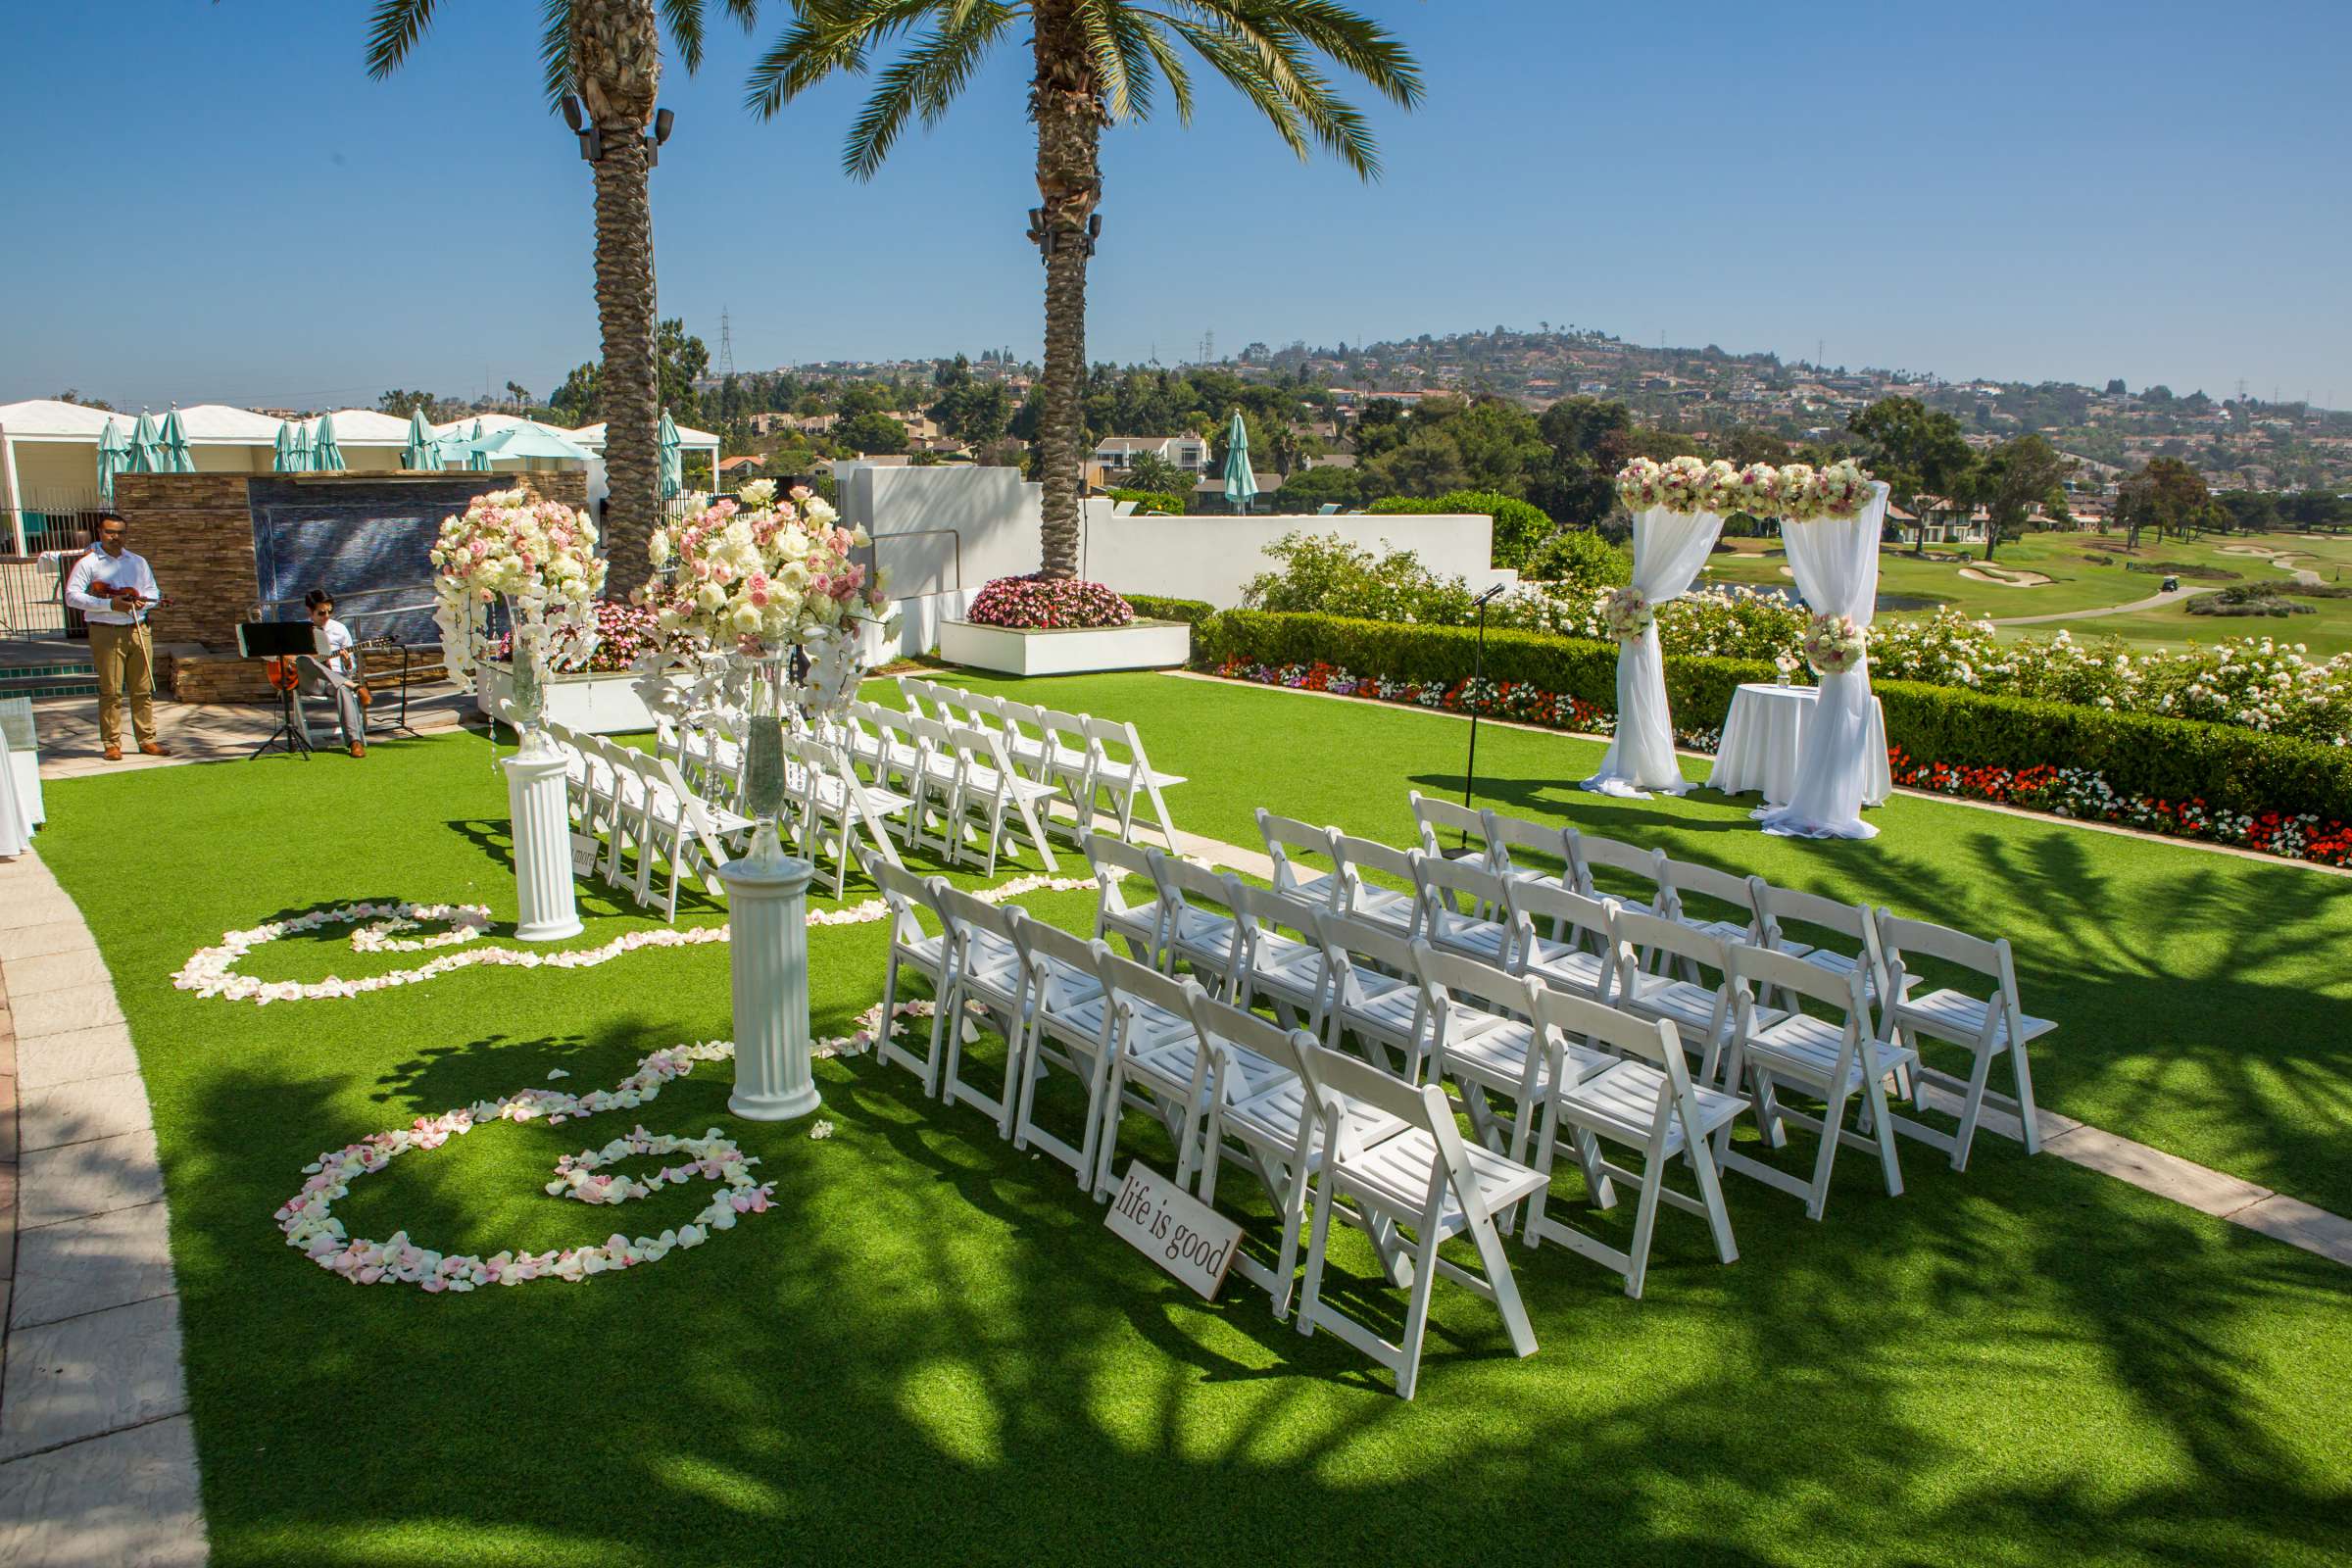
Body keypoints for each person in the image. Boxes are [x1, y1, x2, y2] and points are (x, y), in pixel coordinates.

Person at [64, 514, 170, 762]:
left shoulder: (137, 561)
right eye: (111, 532)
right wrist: (109, 604)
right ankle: (112, 743)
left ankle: (147, 739)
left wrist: (143, 603)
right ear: (100, 533)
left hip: (137, 627)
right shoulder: (88, 563)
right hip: (105, 630)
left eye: (121, 532)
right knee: (111, 690)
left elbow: (152, 589)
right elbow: (72, 596)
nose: (116, 537)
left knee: (143, 688)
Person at [301, 589, 369, 759]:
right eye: (321, 612)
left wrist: (347, 663)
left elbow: (351, 667)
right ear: (309, 611)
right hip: (311, 682)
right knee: (305, 660)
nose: (326, 616)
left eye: (330, 611)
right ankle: (356, 687)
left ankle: (355, 742)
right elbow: (287, 657)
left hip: (335, 681)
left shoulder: (340, 629)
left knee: (343, 688)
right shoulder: (300, 630)